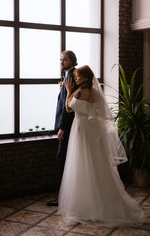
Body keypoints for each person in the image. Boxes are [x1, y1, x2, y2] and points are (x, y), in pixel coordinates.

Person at [58, 65, 145, 227]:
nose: (75, 79)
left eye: (77, 77)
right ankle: (100, 201)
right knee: (94, 162)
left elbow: (69, 108)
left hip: (82, 129)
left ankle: (88, 207)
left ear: (84, 77)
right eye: (75, 77)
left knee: (82, 163)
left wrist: (68, 90)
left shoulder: (79, 92)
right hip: (89, 129)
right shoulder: (95, 92)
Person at [47, 50, 78, 206]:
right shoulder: (68, 76)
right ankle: (66, 197)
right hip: (67, 126)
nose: (61, 62)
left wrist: (62, 128)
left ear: (72, 60)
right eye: (60, 59)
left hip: (68, 127)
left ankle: (65, 198)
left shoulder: (72, 77)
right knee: (64, 159)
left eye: (64, 60)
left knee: (63, 159)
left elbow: (69, 106)